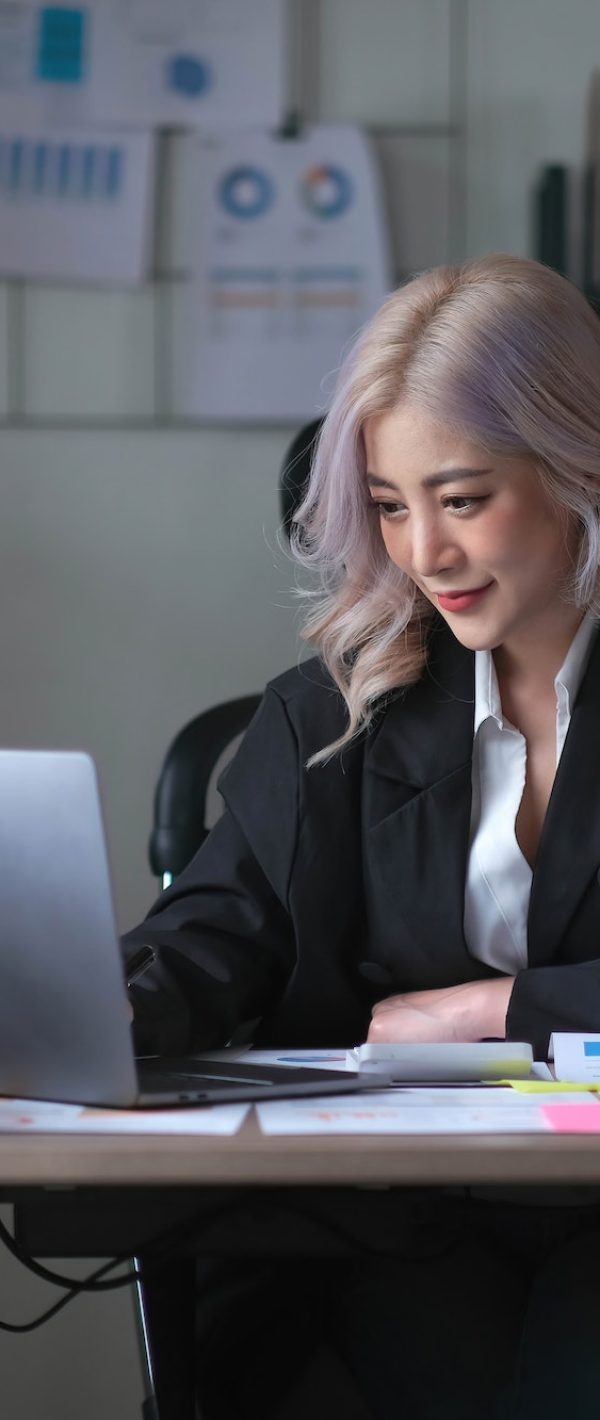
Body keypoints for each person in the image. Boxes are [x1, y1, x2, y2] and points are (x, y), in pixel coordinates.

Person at [124, 253, 600, 1420]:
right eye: (391, 505)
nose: (422, 552)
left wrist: (496, 1008)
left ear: (576, 466)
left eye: (462, 497)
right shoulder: (334, 713)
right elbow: (214, 935)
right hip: (411, 1212)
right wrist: (82, 1012)